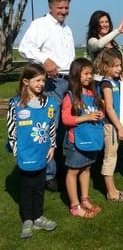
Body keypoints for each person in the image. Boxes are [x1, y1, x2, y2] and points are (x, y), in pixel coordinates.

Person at [19, 0, 75, 192]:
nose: (64, 11)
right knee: (49, 126)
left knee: (63, 127)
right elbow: (24, 48)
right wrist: (45, 60)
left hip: (68, 81)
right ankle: (49, 175)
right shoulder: (40, 25)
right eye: (60, 7)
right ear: (50, 7)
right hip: (51, 83)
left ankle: (59, 166)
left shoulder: (66, 28)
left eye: (66, 7)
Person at [7, 64, 58, 239]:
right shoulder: (16, 104)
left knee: (39, 187)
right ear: (26, 81)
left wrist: (52, 145)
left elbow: (51, 126)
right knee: (28, 188)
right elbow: (12, 132)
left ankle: (38, 217)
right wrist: (17, 153)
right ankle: (27, 219)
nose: (42, 83)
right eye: (38, 80)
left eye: (44, 80)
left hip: (43, 153)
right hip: (25, 155)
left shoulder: (49, 103)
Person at [62, 58, 104, 218]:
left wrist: (101, 113)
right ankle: (74, 206)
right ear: (76, 74)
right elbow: (66, 119)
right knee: (73, 172)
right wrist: (86, 117)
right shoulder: (70, 96)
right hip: (76, 142)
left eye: (91, 73)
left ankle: (84, 199)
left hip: (92, 139)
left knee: (86, 169)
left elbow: (99, 112)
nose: (89, 76)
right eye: (85, 73)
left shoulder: (94, 94)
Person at [93, 49, 123, 202]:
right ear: (104, 66)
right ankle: (111, 193)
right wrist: (119, 127)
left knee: (112, 156)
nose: (119, 69)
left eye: (120, 65)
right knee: (110, 157)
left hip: (115, 124)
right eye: (115, 66)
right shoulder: (106, 83)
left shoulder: (114, 82)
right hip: (111, 125)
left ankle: (113, 189)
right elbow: (109, 108)